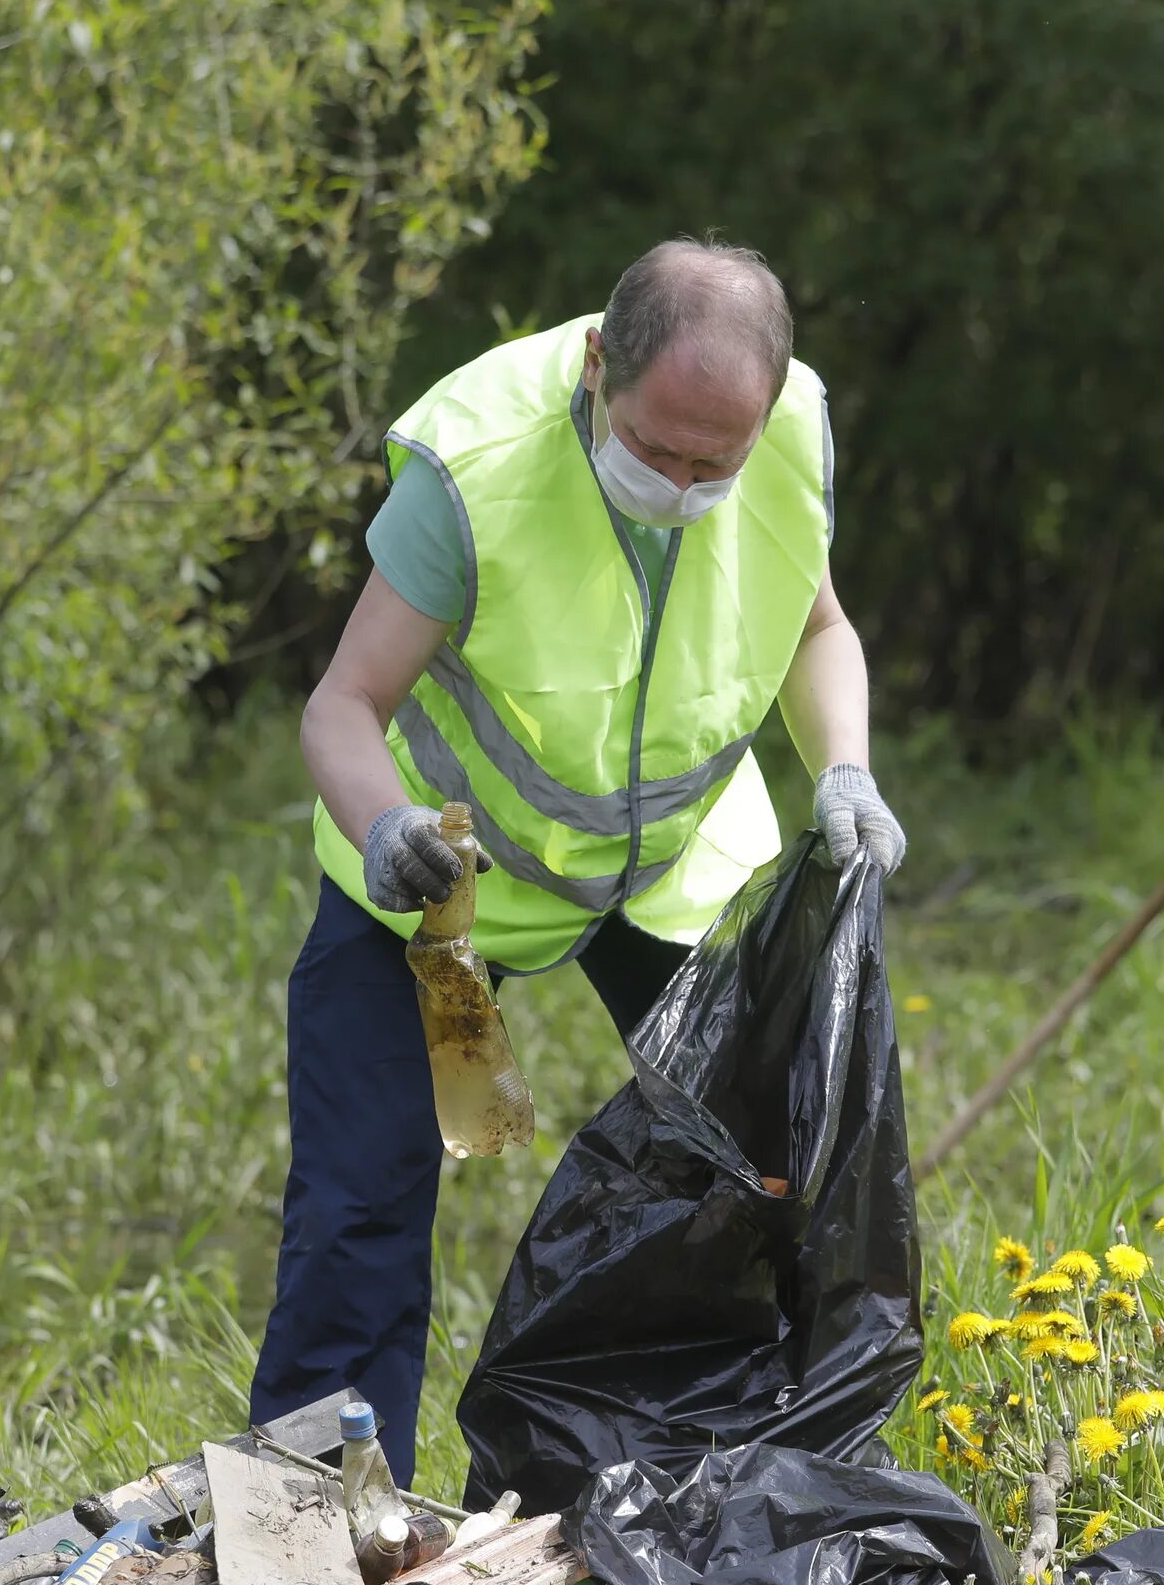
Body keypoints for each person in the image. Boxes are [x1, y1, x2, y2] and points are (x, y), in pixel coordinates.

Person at [251, 238, 904, 1479]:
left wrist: (844, 769)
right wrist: (390, 826)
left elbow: (819, 626)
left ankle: (709, 1484)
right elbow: (341, 704)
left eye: (718, 460)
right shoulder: (477, 468)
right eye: (658, 450)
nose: (686, 480)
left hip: (672, 870)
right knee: (360, 1216)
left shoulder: (788, 432)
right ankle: (319, 1518)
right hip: (440, 887)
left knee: (757, 1185)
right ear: (602, 365)